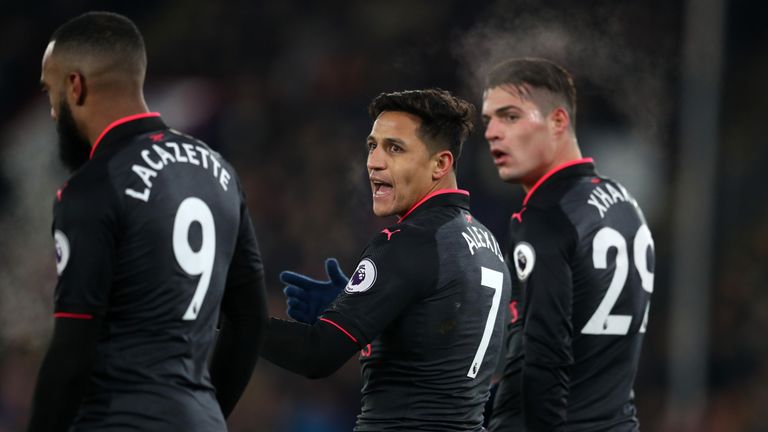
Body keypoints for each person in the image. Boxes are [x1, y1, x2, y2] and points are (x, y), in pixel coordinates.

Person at [29, 11, 267, 431]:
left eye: (51, 93)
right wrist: (200, 414)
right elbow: (250, 321)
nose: (52, 112)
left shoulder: (95, 187)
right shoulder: (220, 173)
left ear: (75, 86)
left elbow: (72, 351)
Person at [261, 89, 511, 431]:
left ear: (440, 163)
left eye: (395, 148)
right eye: (372, 146)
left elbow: (316, 356)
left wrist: (231, 322)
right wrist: (356, 309)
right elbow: (441, 350)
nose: (374, 161)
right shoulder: (488, 245)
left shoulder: (408, 243)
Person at [480, 57, 655, 431]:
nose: (492, 132)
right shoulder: (625, 204)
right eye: (489, 120)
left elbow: (544, 358)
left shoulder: (544, 220)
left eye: (510, 117)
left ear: (558, 122)